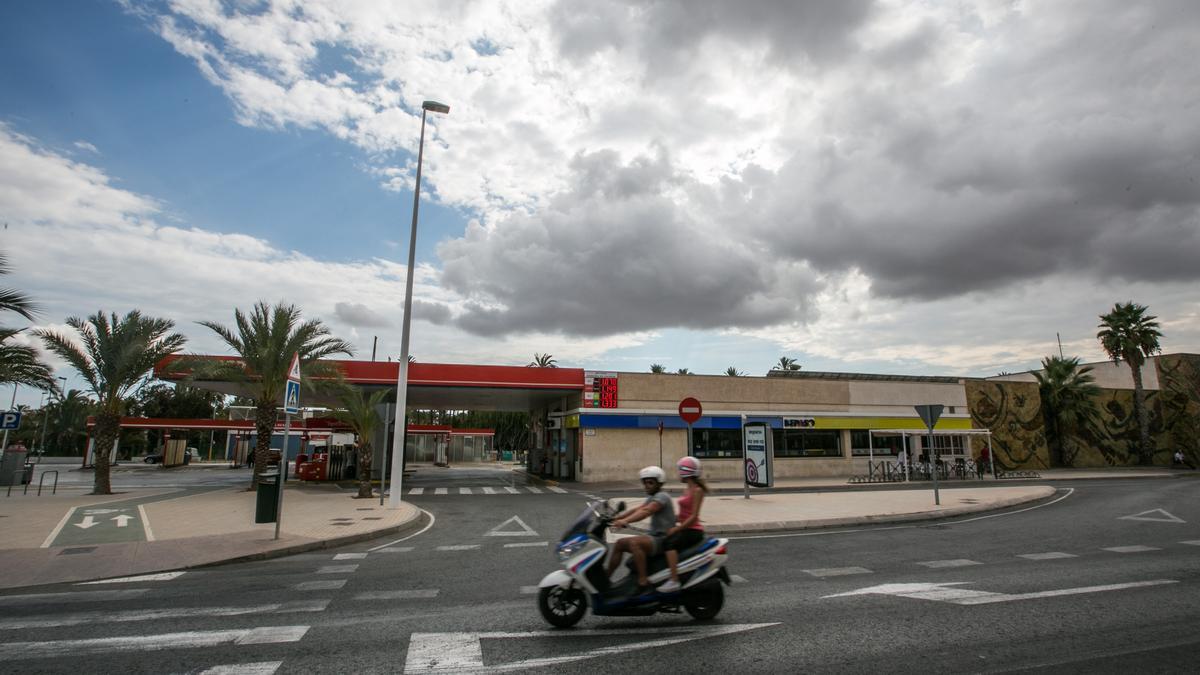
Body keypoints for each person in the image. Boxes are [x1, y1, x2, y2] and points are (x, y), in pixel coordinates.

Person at [606, 466, 674, 594]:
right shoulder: (652, 497)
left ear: (659, 483)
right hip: (654, 537)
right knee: (619, 544)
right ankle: (606, 578)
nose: (647, 486)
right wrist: (616, 518)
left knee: (635, 543)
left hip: (663, 539)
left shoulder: (662, 496)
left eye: (650, 483)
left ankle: (643, 581)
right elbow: (638, 509)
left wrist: (625, 521)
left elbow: (647, 511)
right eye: (645, 482)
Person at [658, 456, 708, 593]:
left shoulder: (697, 490)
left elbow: (693, 517)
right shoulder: (687, 489)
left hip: (693, 530)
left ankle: (674, 580)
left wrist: (676, 529)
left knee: (669, 543)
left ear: (686, 471)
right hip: (685, 527)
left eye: (680, 470)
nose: (678, 472)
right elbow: (683, 514)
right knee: (662, 539)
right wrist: (668, 520)